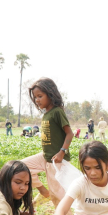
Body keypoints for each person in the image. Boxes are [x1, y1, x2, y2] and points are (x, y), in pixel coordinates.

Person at [20, 78, 74, 207]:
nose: (37, 100)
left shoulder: (57, 112)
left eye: (40, 96)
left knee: (58, 196)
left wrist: (62, 152)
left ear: (50, 94)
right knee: (21, 166)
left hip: (57, 161)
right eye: (35, 97)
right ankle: (43, 191)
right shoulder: (46, 114)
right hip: (46, 157)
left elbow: (70, 133)